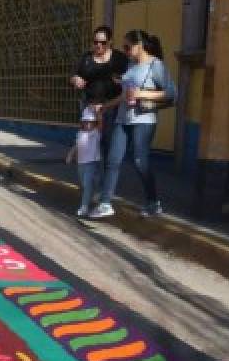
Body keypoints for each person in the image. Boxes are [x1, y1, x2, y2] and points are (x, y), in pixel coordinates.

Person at [91, 30, 175, 220]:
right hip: (123, 119)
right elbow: (124, 95)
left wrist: (141, 94)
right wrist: (105, 107)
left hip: (144, 121)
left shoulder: (155, 65)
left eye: (128, 47)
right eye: (124, 47)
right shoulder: (131, 65)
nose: (125, 50)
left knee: (140, 161)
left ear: (140, 46)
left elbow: (171, 93)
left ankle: (153, 203)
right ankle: (105, 203)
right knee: (113, 159)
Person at [71, 25, 128, 202]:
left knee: (108, 148)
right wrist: (76, 80)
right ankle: (91, 186)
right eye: (95, 42)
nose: (98, 46)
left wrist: (122, 82)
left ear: (110, 42)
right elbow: (74, 76)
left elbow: (131, 79)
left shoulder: (119, 58)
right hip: (89, 109)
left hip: (112, 108)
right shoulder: (86, 59)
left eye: (103, 43)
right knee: (89, 148)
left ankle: (104, 189)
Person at [67, 106, 103, 218]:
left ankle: (84, 207)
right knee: (84, 183)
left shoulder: (96, 133)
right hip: (81, 163)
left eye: (91, 122)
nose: (88, 124)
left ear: (95, 123)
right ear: (82, 122)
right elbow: (76, 145)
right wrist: (70, 154)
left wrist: (97, 112)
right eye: (86, 122)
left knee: (87, 185)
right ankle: (97, 192)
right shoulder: (80, 133)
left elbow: (101, 124)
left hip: (92, 162)